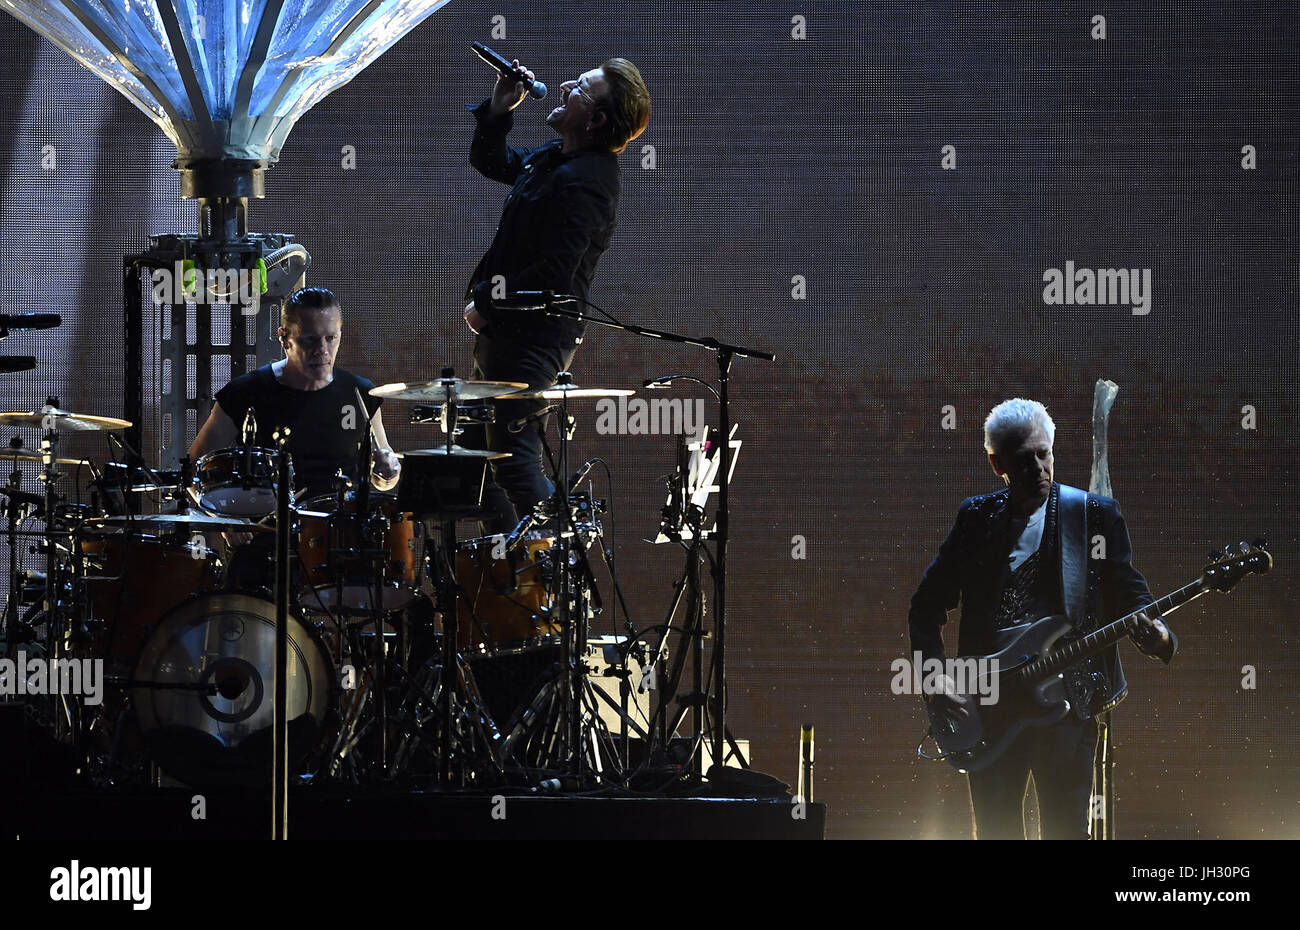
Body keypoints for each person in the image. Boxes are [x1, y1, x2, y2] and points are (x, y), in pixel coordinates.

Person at [908, 398, 1177, 839]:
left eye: (1043, 453)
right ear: (998, 464)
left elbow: (1128, 588)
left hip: (1069, 705)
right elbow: (925, 606)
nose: (1037, 466)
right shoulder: (975, 519)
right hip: (989, 705)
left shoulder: (1093, 516)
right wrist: (935, 680)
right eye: (1022, 457)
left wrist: (1159, 632)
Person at [461, 56, 651, 533]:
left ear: (596, 119)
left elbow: (554, 275)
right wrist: (501, 108)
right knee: (474, 456)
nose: (564, 85)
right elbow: (493, 161)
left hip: (532, 340)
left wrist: (487, 302)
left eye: (580, 88)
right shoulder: (558, 159)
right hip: (510, 335)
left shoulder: (588, 182)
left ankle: (557, 578)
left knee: (513, 462)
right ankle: (506, 579)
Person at [189, 286, 400, 496]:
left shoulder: (361, 394)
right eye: (310, 339)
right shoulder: (244, 393)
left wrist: (388, 474)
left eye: (331, 338)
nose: (322, 350)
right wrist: (225, 517)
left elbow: (382, 478)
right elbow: (191, 471)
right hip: (268, 526)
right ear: (284, 338)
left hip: (342, 525)